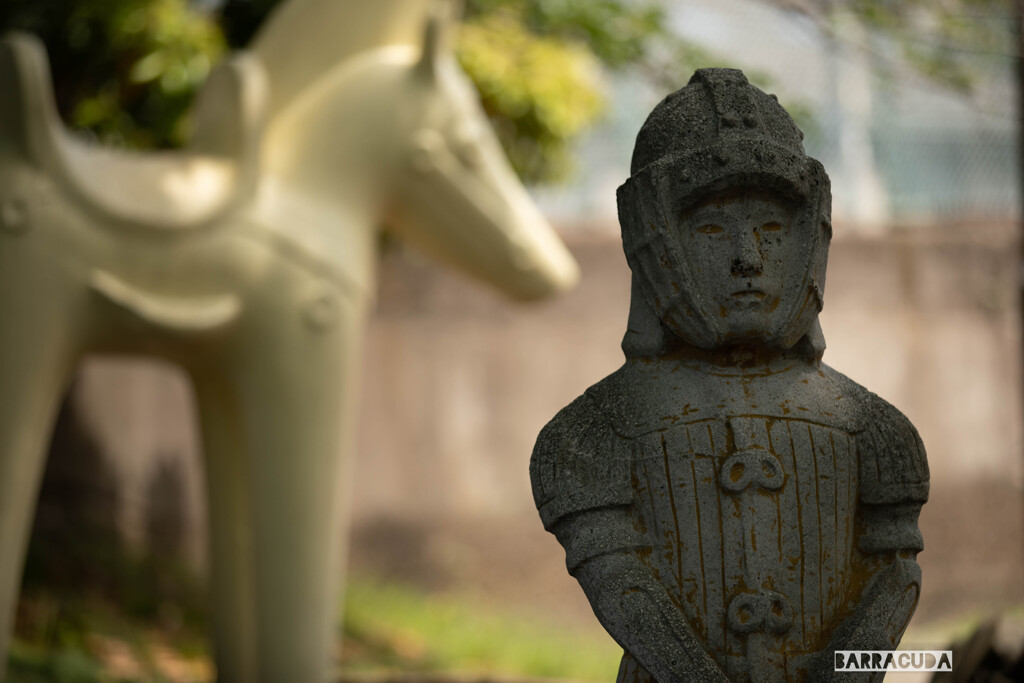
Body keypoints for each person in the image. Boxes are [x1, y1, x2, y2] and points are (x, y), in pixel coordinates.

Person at [530, 68, 929, 683]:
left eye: (772, 229)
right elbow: (621, 584)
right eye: (712, 229)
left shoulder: (874, 430)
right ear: (654, 242)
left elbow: (894, 576)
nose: (748, 258)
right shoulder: (596, 434)